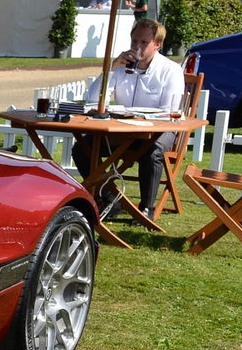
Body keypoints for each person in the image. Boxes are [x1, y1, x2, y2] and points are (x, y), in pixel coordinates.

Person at [79, 17, 186, 219]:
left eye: (144, 43)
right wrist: (111, 69)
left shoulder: (170, 70)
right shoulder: (122, 66)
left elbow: (169, 111)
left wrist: (137, 118)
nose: (137, 47)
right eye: (134, 42)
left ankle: (146, 209)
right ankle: (109, 198)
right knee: (83, 147)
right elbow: (93, 101)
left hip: (160, 129)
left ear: (157, 45)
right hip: (123, 129)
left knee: (152, 151)